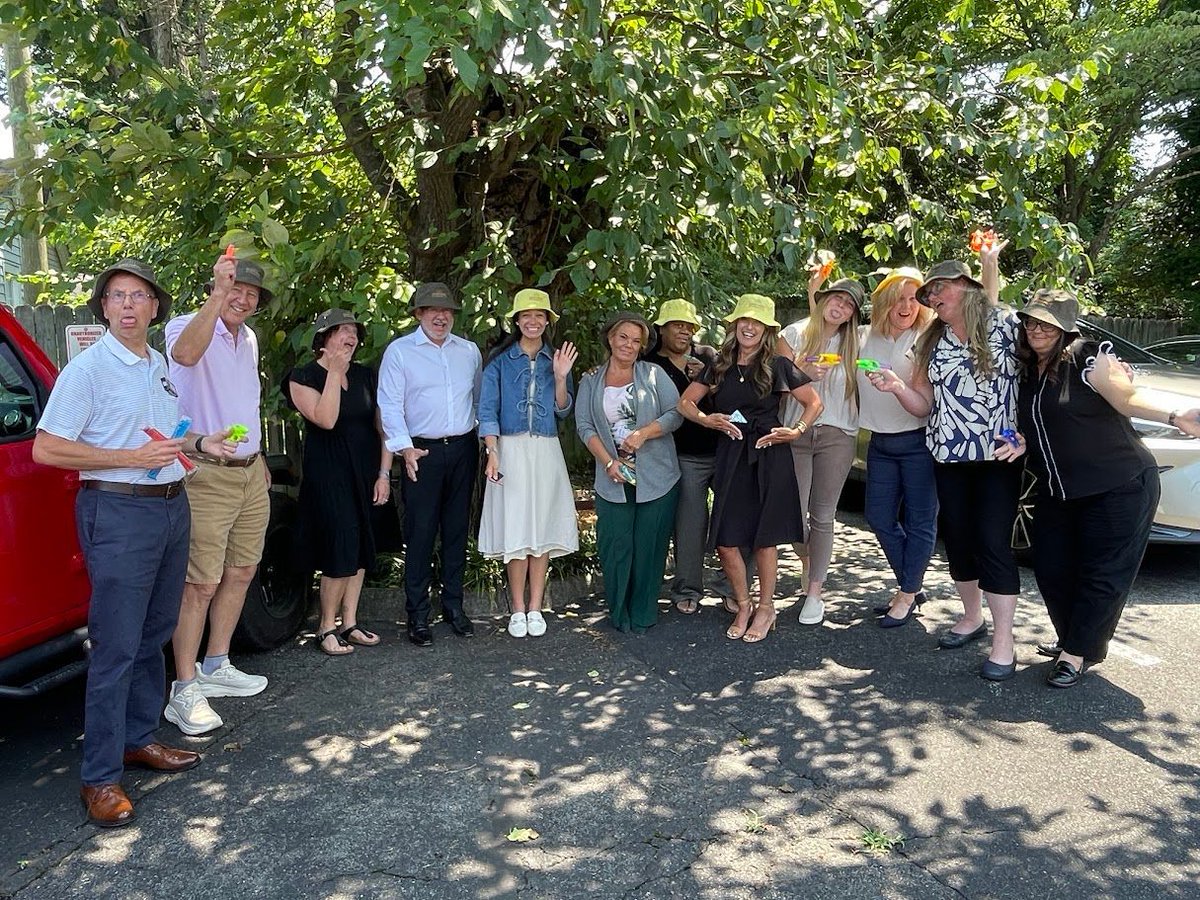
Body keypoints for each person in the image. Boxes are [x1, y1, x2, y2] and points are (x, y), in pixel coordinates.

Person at [32, 259, 237, 827]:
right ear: (103, 308)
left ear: (154, 308)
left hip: (171, 508)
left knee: (152, 633)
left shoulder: (159, 364)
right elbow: (46, 449)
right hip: (118, 511)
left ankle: (138, 739)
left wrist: (199, 443)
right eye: (117, 296)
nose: (127, 305)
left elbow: (162, 439)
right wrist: (129, 458)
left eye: (138, 296)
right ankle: (99, 779)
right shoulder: (88, 370)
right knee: (118, 643)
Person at [999, 289, 1200, 687]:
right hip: (1060, 489)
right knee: (1052, 568)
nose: (1036, 329)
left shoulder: (1088, 356)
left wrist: (1175, 414)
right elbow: (1041, 421)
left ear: (1064, 327)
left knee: (1102, 574)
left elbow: (1127, 398)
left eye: (1047, 322)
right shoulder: (1026, 369)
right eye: (1031, 321)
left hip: (1119, 484)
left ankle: (1076, 653)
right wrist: (1023, 440)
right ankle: (1077, 639)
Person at [868, 244, 1025, 681]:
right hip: (947, 454)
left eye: (940, 289)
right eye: (929, 293)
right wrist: (898, 386)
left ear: (966, 287)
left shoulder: (1003, 325)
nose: (933, 298)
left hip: (997, 455)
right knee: (957, 540)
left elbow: (1038, 370)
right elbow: (923, 406)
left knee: (992, 542)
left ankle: (1004, 642)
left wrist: (990, 261)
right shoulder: (931, 338)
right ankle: (972, 618)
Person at [162, 251, 273, 736]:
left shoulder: (248, 338)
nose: (242, 299)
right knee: (199, 583)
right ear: (219, 286)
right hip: (205, 471)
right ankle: (183, 687)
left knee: (242, 569)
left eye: (250, 294)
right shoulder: (187, 324)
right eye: (235, 288)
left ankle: (216, 665)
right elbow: (184, 356)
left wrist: (260, 455)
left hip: (248, 472)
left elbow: (244, 401)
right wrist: (216, 296)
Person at [679, 294, 823, 644]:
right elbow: (685, 403)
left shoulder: (778, 364)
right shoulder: (720, 364)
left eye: (756, 322)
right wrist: (707, 420)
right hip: (730, 457)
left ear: (766, 330)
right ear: (734, 325)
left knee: (764, 541)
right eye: (743, 320)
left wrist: (795, 431)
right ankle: (743, 604)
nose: (748, 326)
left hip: (769, 456)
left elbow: (814, 403)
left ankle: (766, 608)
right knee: (727, 541)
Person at [283, 309, 396, 655]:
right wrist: (333, 373)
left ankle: (350, 622)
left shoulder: (365, 375)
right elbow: (327, 419)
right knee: (340, 549)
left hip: (365, 473)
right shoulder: (302, 376)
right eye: (342, 331)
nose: (351, 337)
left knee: (362, 547)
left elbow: (383, 427)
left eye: (354, 331)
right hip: (329, 476)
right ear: (324, 337)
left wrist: (383, 474)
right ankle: (325, 627)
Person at [378, 282, 482, 646]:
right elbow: (389, 405)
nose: (441, 316)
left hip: (463, 449)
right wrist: (405, 449)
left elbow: (479, 400)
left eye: (447, 311)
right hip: (420, 452)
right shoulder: (400, 352)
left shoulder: (469, 351)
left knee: (456, 531)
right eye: (432, 310)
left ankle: (454, 608)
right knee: (421, 534)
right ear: (419, 314)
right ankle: (418, 615)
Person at [477, 289, 579, 639]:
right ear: (517, 321)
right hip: (511, 450)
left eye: (540, 316)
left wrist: (562, 377)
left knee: (542, 528)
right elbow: (487, 410)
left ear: (547, 321)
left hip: (546, 450)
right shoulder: (500, 363)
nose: (533, 321)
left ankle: (536, 606)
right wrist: (492, 452)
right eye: (527, 316)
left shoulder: (556, 358)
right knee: (517, 527)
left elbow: (563, 410)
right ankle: (516, 609)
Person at [576, 311, 682, 633]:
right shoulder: (591, 380)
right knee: (616, 546)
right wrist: (609, 461)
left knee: (649, 547)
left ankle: (643, 612)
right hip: (613, 477)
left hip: (657, 477)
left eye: (637, 340)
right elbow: (583, 425)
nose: (629, 344)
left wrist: (645, 433)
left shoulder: (653, 374)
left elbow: (676, 413)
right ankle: (619, 612)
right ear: (610, 338)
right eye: (623, 337)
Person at [778, 274, 865, 626]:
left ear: (853, 314)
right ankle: (809, 562)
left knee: (823, 515)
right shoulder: (793, 334)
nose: (840, 306)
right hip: (795, 432)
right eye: (837, 298)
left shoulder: (857, 341)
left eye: (849, 304)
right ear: (823, 297)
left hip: (838, 434)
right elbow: (774, 387)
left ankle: (815, 592)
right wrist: (801, 374)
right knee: (793, 516)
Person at [857, 267, 940, 627]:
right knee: (878, 517)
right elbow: (817, 330)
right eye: (899, 297)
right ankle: (912, 582)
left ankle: (906, 593)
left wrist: (896, 387)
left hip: (919, 442)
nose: (907, 306)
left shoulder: (928, 337)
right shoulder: (864, 337)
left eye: (914, 298)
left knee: (921, 521)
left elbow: (924, 405)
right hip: (879, 441)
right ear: (885, 300)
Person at [643, 299, 723, 615]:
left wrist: (708, 381)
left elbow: (731, 398)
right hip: (684, 456)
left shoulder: (709, 357)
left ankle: (731, 587)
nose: (684, 331)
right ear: (660, 328)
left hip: (723, 450)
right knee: (690, 525)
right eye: (677, 324)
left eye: (689, 326)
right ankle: (687, 589)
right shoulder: (649, 363)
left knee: (737, 518)